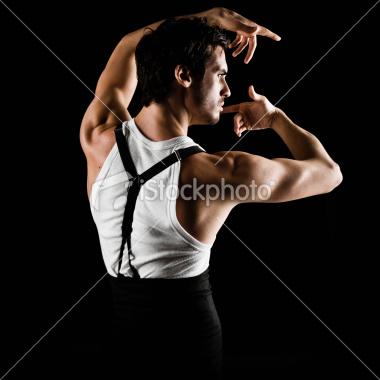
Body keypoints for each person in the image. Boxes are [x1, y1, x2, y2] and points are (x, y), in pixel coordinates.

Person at [79, 7, 342, 380]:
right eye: (221, 74)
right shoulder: (220, 174)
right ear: (184, 75)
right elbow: (330, 174)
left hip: (121, 340)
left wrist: (207, 17)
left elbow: (128, 45)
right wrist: (275, 119)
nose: (227, 90)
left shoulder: (97, 136)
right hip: (189, 346)